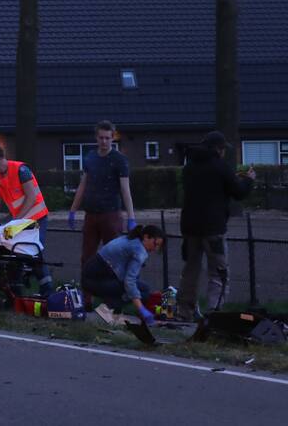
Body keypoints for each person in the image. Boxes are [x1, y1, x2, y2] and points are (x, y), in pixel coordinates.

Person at [176, 131, 255, 319]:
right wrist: (248, 180)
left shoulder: (189, 167)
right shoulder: (221, 166)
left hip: (190, 227)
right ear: (219, 149)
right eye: (223, 149)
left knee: (190, 271)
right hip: (213, 228)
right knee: (218, 272)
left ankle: (184, 311)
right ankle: (214, 314)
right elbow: (239, 192)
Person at [0, 144, 53, 295]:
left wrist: (17, 220)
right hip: (19, 222)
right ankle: (15, 293)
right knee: (13, 252)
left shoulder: (21, 170)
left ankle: (47, 291)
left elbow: (31, 197)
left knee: (33, 251)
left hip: (37, 219)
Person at [68, 120, 136, 267]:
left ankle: (112, 283)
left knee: (114, 257)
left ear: (112, 138)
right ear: (96, 138)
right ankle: (88, 282)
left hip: (111, 215)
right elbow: (83, 185)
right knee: (87, 257)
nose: (104, 141)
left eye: (107, 138)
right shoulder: (90, 157)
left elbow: (125, 189)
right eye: (101, 138)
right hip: (91, 214)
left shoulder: (119, 160)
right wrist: (73, 210)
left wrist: (131, 217)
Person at [81, 225, 165, 325]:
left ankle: (109, 306)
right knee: (143, 292)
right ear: (146, 237)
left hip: (90, 276)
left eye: (158, 246)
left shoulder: (131, 239)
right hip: (96, 280)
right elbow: (129, 282)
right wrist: (142, 310)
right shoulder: (139, 250)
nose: (155, 249)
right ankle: (108, 307)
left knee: (143, 288)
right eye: (155, 244)